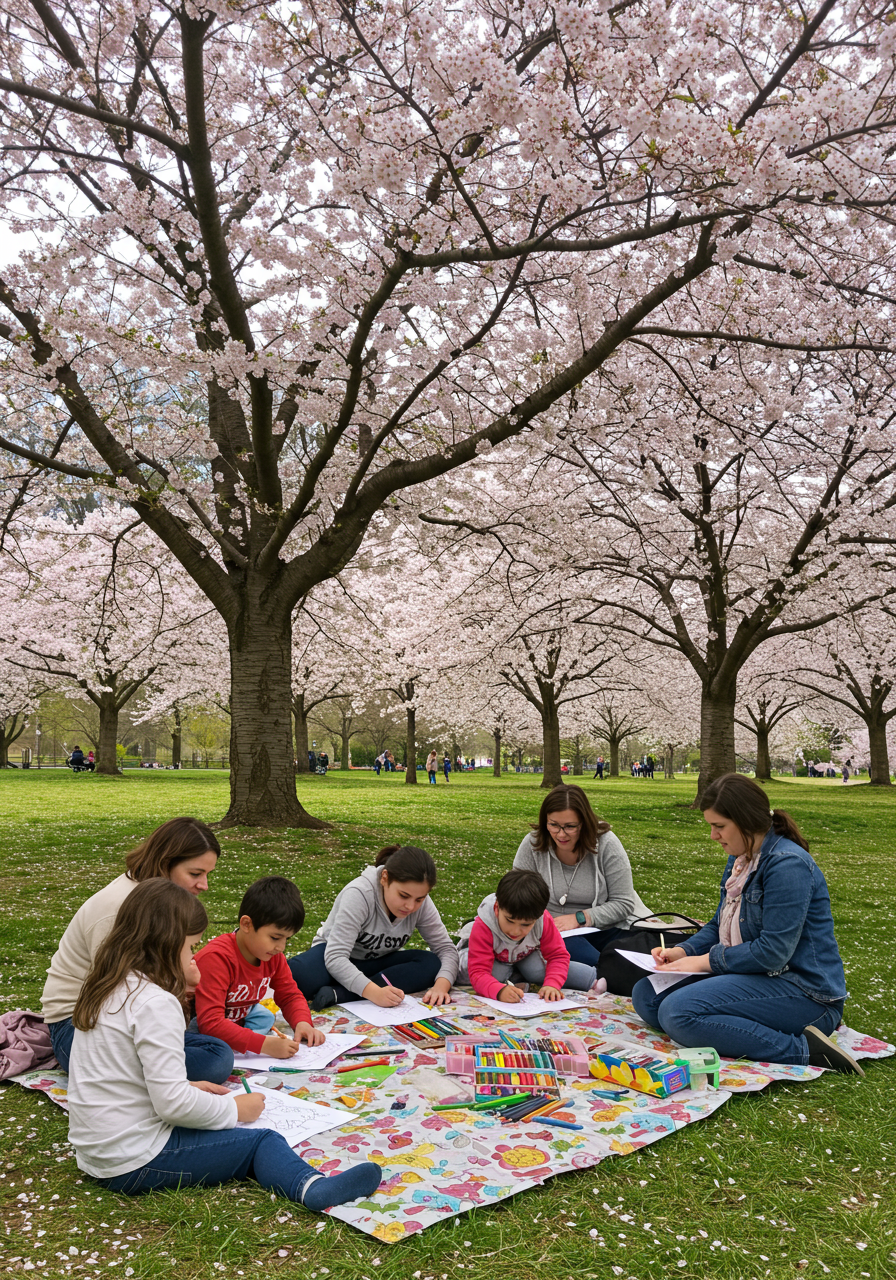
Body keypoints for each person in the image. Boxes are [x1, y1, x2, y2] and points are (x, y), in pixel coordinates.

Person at [67, 879, 382, 1207]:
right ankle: (313, 1188)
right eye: (190, 947)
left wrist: (190, 1086)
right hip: (132, 1160)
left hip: (98, 1151)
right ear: (163, 945)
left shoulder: (110, 983)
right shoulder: (155, 1003)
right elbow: (172, 1105)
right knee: (262, 1142)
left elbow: (125, 1074)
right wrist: (233, 1109)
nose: (194, 957)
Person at [631, 773, 862, 1074]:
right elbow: (718, 925)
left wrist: (703, 963)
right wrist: (684, 951)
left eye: (719, 826)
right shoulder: (742, 856)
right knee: (647, 995)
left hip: (802, 992)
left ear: (745, 821)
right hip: (755, 975)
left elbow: (773, 952)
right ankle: (726, 1023)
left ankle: (805, 1050)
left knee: (678, 1014)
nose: (713, 836)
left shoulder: (788, 865)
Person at [41, 817, 233, 1082]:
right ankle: (154, 1085)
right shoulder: (118, 909)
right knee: (215, 1061)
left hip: (128, 1019)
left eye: (207, 874)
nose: (204, 885)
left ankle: (152, 1079)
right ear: (166, 865)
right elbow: (114, 1001)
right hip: (80, 1028)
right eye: (195, 873)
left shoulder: (159, 902)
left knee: (217, 1049)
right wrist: (179, 985)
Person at [288, 844, 459, 1011]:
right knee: (298, 975)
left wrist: (441, 986)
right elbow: (335, 956)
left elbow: (446, 949)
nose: (410, 906)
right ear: (384, 878)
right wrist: (375, 993)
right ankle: (358, 988)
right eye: (403, 896)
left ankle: (341, 993)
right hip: (333, 957)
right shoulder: (359, 893)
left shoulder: (421, 904)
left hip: (377, 962)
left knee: (431, 964)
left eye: (419, 899)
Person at [513, 784, 651, 972]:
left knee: (632, 956)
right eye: (553, 825)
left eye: (570, 827)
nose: (561, 834)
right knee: (583, 956)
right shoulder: (533, 844)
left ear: (584, 823)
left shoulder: (607, 844)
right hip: (550, 931)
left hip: (604, 928)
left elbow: (623, 903)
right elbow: (517, 896)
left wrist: (580, 918)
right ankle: (599, 973)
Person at [193, 877, 325, 1057]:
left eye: (288, 939)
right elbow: (210, 1023)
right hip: (199, 1024)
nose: (282, 947)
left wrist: (302, 1023)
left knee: (264, 1016)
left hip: (237, 1016)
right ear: (246, 924)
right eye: (275, 937)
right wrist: (264, 1045)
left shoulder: (272, 955)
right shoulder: (217, 958)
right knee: (217, 1062)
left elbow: (289, 995)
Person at [457, 869, 604, 998]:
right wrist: (499, 991)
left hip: (522, 956)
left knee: (537, 970)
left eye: (526, 925)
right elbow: (478, 972)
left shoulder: (543, 920)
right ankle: (516, 981)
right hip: (489, 961)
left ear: (539, 916)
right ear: (497, 908)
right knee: (496, 974)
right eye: (509, 920)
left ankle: (592, 980)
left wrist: (552, 984)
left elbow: (557, 955)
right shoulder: (484, 925)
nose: (515, 931)